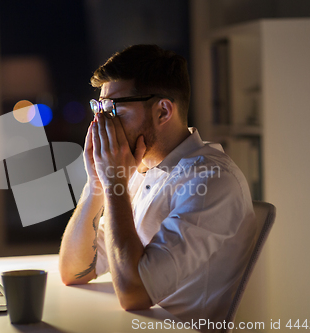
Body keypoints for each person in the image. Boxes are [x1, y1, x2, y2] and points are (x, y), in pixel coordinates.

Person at [58, 44, 257, 330]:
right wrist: (97, 184)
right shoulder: (139, 169)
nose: (101, 121)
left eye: (113, 108)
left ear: (163, 111)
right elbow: (74, 272)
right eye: (99, 108)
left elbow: (134, 295)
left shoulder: (211, 180)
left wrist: (115, 183)